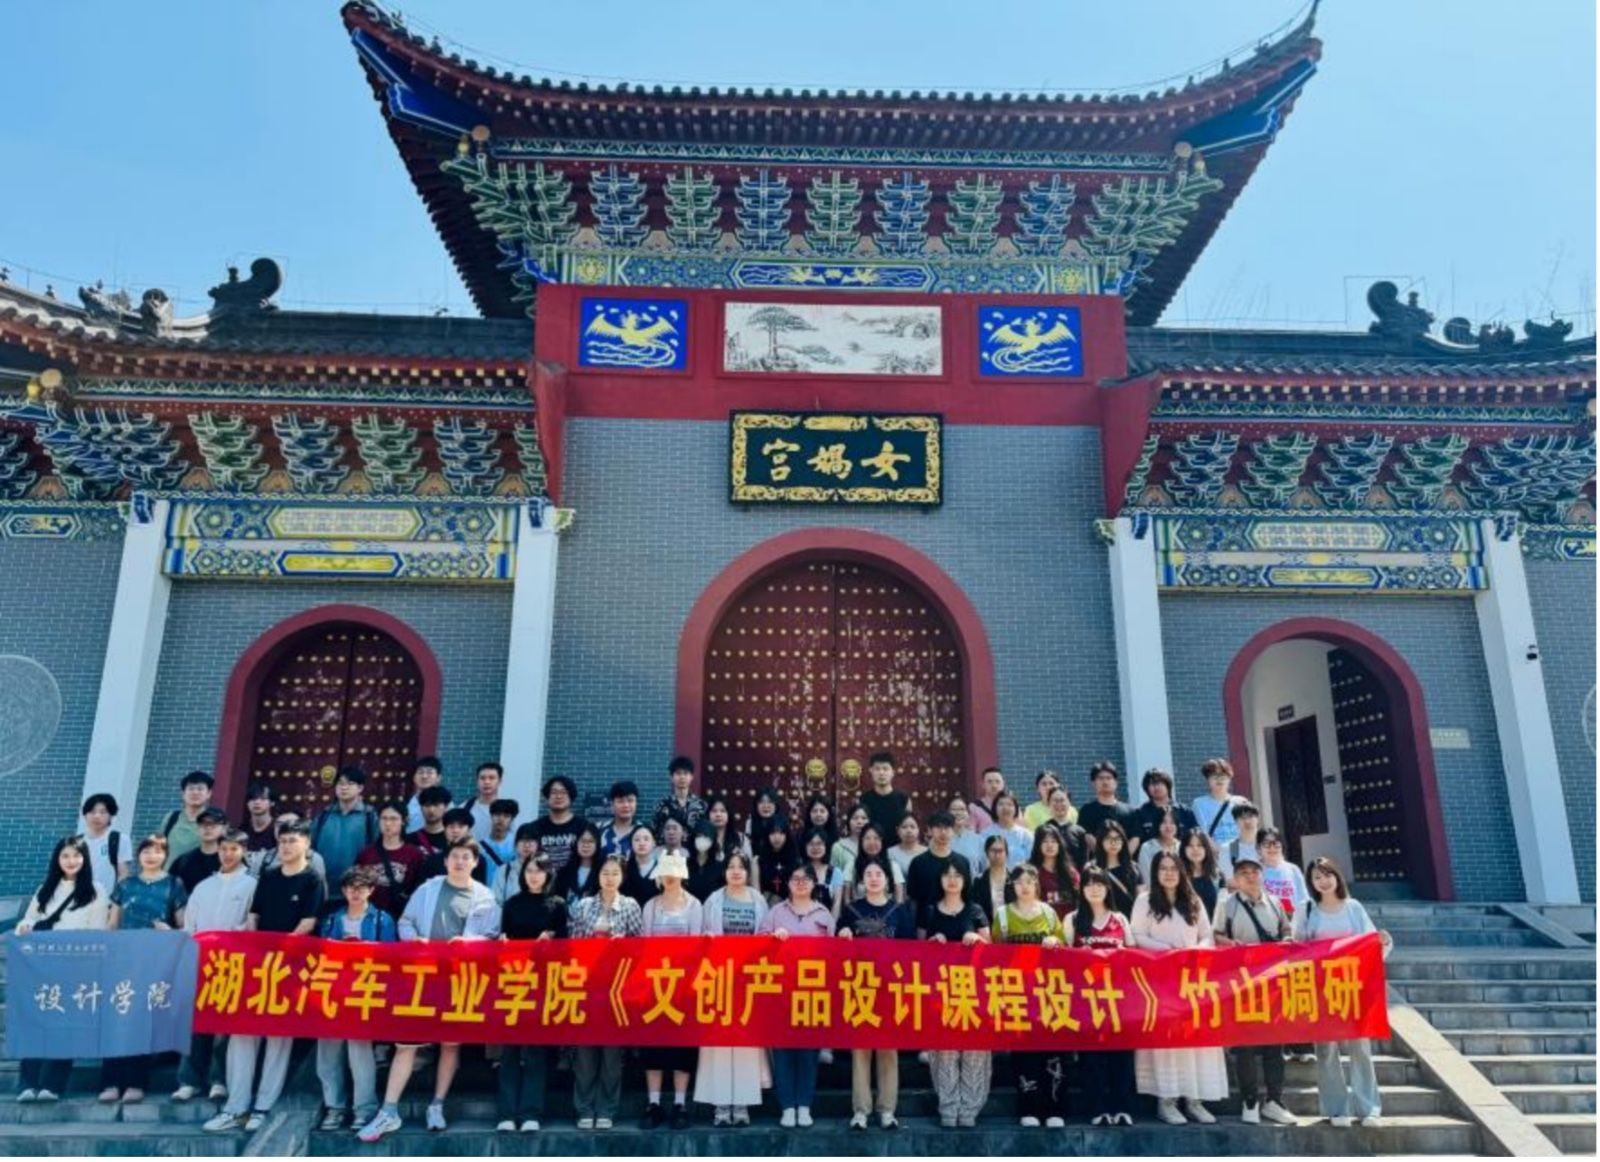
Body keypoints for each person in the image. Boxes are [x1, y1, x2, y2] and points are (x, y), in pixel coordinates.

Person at [358, 838, 499, 1142]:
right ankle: (388, 1111)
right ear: (446, 861)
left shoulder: (486, 897)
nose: (460, 862)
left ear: (475, 863)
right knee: (407, 1043)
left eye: (466, 857)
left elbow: (491, 937)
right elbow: (406, 922)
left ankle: (437, 1105)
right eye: (455, 856)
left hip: (459, 978)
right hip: (422, 975)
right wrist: (414, 940)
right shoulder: (427, 888)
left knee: (450, 1043)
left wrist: (469, 944)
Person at [207, 819, 325, 1134]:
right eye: (282, 841)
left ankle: (262, 1106)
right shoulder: (269, 877)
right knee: (243, 1034)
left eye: (293, 841)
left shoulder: (313, 880)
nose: (286, 847)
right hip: (258, 965)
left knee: (278, 1038)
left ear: (307, 845)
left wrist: (281, 950)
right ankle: (235, 1107)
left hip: (289, 968)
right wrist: (257, 947)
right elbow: (254, 915)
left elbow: (308, 922)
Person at [1131, 852, 1227, 1125]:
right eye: (1163, 868)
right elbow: (1137, 935)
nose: (1169, 873)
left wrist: (1196, 951)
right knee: (1167, 1040)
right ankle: (1167, 1100)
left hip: (1193, 981)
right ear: (1155, 872)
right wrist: (1166, 952)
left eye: (1174, 868)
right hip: (1160, 981)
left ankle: (1194, 1100)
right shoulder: (1145, 901)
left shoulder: (1193, 900)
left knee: (1195, 1039)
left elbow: (1207, 935)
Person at [15, 836, 109, 1103]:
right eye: (65, 856)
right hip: (42, 965)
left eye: (76, 856)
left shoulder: (95, 890)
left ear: (85, 859)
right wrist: (24, 926)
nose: (71, 861)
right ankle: (27, 1083)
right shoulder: (45, 888)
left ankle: (52, 1085)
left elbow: (97, 932)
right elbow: (30, 919)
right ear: (57, 859)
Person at [1295, 857, 1383, 1128]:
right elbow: (1297, 946)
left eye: (1327, 875)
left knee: (1360, 1048)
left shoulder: (1353, 907)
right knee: (1327, 1050)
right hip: (1321, 989)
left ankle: (1368, 1108)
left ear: (1337, 876)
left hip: (1352, 987)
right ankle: (1336, 1109)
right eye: (1317, 877)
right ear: (1311, 883)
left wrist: (1382, 941)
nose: (1323, 881)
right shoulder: (1306, 909)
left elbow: (1371, 943)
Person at [1211, 852, 1297, 1126]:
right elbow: (1215, 935)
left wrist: (1286, 940)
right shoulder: (1227, 905)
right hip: (1240, 984)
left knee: (1275, 1043)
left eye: (1254, 872)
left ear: (1262, 875)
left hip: (1272, 982)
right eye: (1243, 873)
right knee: (1244, 1044)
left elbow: (1287, 930)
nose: (1250, 877)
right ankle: (1250, 1100)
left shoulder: (1275, 902)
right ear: (1236, 879)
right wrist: (1231, 945)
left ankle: (1275, 1100)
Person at [103, 834, 186, 1104]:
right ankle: (111, 1082)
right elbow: (112, 924)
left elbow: (183, 928)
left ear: (165, 855)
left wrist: (169, 931)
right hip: (123, 960)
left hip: (155, 961)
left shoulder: (174, 885)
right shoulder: (125, 885)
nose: (151, 856)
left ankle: (135, 1082)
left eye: (158, 851)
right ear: (138, 855)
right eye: (146, 851)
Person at [175, 829, 254, 1104]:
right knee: (196, 1023)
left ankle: (218, 1079)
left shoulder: (251, 885)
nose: (228, 854)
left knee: (224, 1026)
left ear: (244, 851)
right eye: (223, 849)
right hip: (201, 961)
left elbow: (248, 925)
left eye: (234, 849)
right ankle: (189, 1080)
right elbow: (191, 925)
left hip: (232, 963)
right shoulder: (204, 886)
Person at [315, 866, 397, 1131]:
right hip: (333, 993)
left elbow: (391, 958)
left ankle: (364, 1109)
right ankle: (334, 1107)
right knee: (328, 1055)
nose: (356, 893)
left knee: (360, 1055)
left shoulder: (382, 920)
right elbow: (319, 954)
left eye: (362, 888)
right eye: (351, 888)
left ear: (371, 890)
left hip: (364, 993)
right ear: (343, 891)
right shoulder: (331, 920)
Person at [838, 859, 914, 1129]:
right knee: (860, 1051)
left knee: (887, 1051)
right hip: (860, 987)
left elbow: (911, 951)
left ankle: (887, 1110)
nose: (873, 878)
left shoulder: (900, 911)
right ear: (861, 880)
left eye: (878, 874)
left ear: (887, 880)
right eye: (868, 874)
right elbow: (837, 946)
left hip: (890, 989)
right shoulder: (851, 910)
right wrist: (843, 933)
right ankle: (861, 1111)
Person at [568, 855, 643, 1129]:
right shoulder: (584, 905)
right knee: (585, 1054)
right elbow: (572, 945)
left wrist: (624, 944)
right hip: (587, 987)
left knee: (612, 1055)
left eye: (614, 873)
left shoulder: (630, 905)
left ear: (622, 877)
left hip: (617, 990)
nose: (609, 878)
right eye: (605, 873)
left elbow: (641, 948)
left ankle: (607, 1109)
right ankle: (584, 1108)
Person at [992, 864, 1070, 1128]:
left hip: (1048, 993)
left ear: (1037, 884)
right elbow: (994, 955)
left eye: (1029, 881)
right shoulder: (1002, 915)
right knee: (1024, 1053)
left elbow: (1064, 948)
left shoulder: (1049, 913)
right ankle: (1029, 1108)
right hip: (1018, 995)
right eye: (1019, 882)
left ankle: (1055, 1108)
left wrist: (1055, 942)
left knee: (1053, 1052)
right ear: (1012, 886)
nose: (1024, 886)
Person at [496, 853, 567, 1132]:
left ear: (548, 874)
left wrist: (552, 940)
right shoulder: (512, 904)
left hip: (543, 983)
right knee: (510, 1050)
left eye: (539, 871)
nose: (534, 876)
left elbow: (567, 946)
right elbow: (503, 936)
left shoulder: (557, 904)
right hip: (513, 981)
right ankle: (506, 1113)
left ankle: (531, 1113)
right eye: (529, 871)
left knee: (537, 1051)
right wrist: (502, 942)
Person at [762, 863, 835, 1127]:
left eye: (806, 879)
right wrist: (773, 938)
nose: (800, 883)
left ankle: (804, 1105)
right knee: (783, 1052)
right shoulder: (775, 912)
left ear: (814, 883)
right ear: (788, 884)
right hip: (781, 992)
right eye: (795, 879)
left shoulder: (824, 914)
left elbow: (834, 955)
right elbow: (758, 944)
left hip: (812, 994)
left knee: (807, 1053)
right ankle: (787, 1106)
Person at [921, 861, 991, 1128]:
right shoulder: (929, 911)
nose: (952, 880)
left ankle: (971, 1108)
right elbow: (915, 951)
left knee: (974, 1049)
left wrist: (978, 940)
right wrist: (932, 943)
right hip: (939, 992)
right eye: (947, 875)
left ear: (965, 880)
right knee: (944, 1051)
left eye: (957, 875)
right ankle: (948, 1107)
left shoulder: (975, 910)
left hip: (973, 992)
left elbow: (992, 950)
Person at [641, 852, 703, 1128]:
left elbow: (696, 943)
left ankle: (680, 1103)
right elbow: (643, 944)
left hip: (683, 986)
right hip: (655, 984)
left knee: (682, 1047)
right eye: (665, 872)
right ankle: (653, 1103)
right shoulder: (651, 906)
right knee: (653, 1045)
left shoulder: (694, 905)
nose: (670, 877)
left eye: (674, 872)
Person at [1071, 868, 1136, 1126]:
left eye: (1099, 884)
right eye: (1088, 884)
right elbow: (1063, 957)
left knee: (1121, 1055)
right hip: (1086, 999)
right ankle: (1096, 1108)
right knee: (1092, 1057)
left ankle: (1122, 1107)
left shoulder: (1119, 919)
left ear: (1108, 888)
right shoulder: (1073, 919)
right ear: (1082, 889)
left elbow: (1134, 954)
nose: (1094, 889)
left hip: (1118, 999)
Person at [311, 765, 380, 889]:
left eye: (350, 783)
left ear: (360, 788)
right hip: (323, 884)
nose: (344, 787)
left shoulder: (370, 816)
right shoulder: (324, 815)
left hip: (356, 886)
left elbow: (377, 849)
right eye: (340, 783)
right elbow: (310, 846)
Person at [355, 801, 427, 917]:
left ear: (404, 821)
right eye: (384, 818)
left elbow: (419, 889)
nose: (388, 823)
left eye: (394, 819)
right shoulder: (366, 853)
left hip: (402, 915)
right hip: (370, 915)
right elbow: (356, 884)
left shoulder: (415, 854)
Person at [905, 811, 971, 926]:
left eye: (947, 828)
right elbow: (913, 899)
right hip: (925, 924)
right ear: (930, 830)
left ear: (953, 831)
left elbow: (967, 896)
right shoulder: (918, 862)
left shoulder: (962, 862)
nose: (943, 832)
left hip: (956, 921)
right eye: (938, 827)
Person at [1076, 762, 1138, 857]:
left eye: (1109, 778)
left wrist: (1124, 858)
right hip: (1097, 863)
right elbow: (1087, 836)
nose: (1105, 782)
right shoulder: (1086, 810)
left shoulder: (1129, 811)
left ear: (1116, 783)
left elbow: (1135, 837)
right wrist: (1104, 858)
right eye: (1101, 778)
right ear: (1093, 783)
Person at [419, 808, 490, 884]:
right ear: (444, 830)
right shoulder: (433, 860)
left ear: (469, 830)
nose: (455, 831)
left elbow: (480, 887)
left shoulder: (477, 860)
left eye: (460, 827)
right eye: (451, 827)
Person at [531, 776, 585, 873]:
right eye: (554, 792)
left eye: (563, 792)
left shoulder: (583, 827)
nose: (559, 796)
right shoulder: (534, 827)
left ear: (571, 797)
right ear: (547, 797)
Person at [1191, 757, 1248, 850]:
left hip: (1240, 852)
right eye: (1214, 776)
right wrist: (1218, 851)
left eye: (1223, 776)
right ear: (1208, 779)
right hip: (1214, 853)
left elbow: (1248, 830)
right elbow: (1203, 833)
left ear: (1229, 778)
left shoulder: (1241, 802)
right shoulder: (1199, 804)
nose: (1219, 780)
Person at [162, 770, 215, 867]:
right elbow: (157, 848)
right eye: (191, 789)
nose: (195, 792)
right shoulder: (171, 818)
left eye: (200, 789)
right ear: (183, 794)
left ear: (209, 794)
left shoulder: (214, 822)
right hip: (169, 874)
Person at [79, 792, 128, 896]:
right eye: (92, 812)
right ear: (85, 815)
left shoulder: (119, 839)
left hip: (106, 899)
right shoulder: (76, 842)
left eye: (103, 812)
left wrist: (116, 900)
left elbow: (123, 873)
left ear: (111, 816)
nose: (97, 816)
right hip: (79, 898)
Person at [1134, 768, 1198, 847]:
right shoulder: (1140, 813)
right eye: (1152, 784)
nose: (1156, 787)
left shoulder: (1184, 811)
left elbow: (1195, 835)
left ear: (1168, 785)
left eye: (1159, 783)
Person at [170, 807, 228, 894]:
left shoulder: (231, 861)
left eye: (213, 824)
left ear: (224, 829)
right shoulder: (183, 861)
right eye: (203, 823)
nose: (208, 828)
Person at [1257, 828, 1309, 924]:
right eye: (1266, 844)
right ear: (1259, 848)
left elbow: (1303, 900)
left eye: (1276, 844)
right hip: (1267, 925)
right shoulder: (1256, 872)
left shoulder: (1293, 869)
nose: (1272, 848)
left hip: (1294, 925)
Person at [1029, 824, 1080, 920]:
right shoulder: (1032, 872)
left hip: (1069, 923)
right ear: (1038, 845)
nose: (1050, 845)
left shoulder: (1071, 873)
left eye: (1053, 841)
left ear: (1059, 844)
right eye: (1045, 841)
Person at [845, 823, 905, 905]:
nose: (872, 842)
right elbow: (847, 900)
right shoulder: (852, 865)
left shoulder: (893, 866)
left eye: (876, 838)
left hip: (887, 911)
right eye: (867, 838)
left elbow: (899, 899)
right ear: (861, 841)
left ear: (882, 841)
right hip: (859, 910)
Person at [1095, 820, 1142, 917]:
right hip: (1103, 922)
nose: (1113, 843)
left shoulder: (1133, 868)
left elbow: (1141, 899)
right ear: (1101, 841)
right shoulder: (1093, 869)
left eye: (1117, 839)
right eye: (1108, 838)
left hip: (1131, 921)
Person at [858, 752, 910, 837]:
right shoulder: (863, 800)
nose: (881, 773)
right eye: (877, 769)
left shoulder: (903, 799)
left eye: (885, 769)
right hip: (871, 844)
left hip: (897, 844)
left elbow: (908, 825)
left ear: (893, 772)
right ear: (871, 771)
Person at [653, 755, 708, 832]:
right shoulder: (662, 804)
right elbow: (655, 830)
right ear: (671, 777)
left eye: (685, 773)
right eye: (678, 773)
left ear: (691, 777)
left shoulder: (701, 804)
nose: (682, 777)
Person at [979, 792, 1033, 872]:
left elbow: (1031, 862)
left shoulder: (1026, 835)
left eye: (1009, 804)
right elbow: (982, 863)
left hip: (1020, 878)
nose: (1005, 808)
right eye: (1001, 804)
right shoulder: (985, 835)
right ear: (994, 808)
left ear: (1016, 809)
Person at [797, 827, 844, 915]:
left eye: (819, 844)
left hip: (827, 920)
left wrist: (831, 922)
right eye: (811, 844)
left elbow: (837, 903)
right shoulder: (798, 871)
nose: (815, 848)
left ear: (826, 846)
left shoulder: (835, 872)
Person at [970, 833, 1014, 925]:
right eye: (993, 850)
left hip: (1013, 928)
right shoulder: (979, 881)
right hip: (987, 928)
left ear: (1006, 853)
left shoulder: (1015, 879)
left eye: (1000, 850)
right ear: (986, 853)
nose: (997, 855)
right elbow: (975, 908)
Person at [493, 822, 541, 904]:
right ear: (516, 845)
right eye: (523, 840)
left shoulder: (544, 871)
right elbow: (495, 902)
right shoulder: (503, 871)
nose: (527, 845)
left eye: (531, 840)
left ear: (538, 845)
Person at [1181, 827, 1224, 920]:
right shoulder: (1179, 876)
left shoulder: (1216, 874)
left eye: (1199, 845)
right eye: (1190, 845)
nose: (1195, 849)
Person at [553, 823, 603, 901]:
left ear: (597, 844)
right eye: (582, 841)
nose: (586, 845)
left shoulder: (603, 872)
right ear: (576, 843)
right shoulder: (564, 872)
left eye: (591, 841)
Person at [1136, 806, 1183, 887]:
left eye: (1172, 822)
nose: (1168, 826)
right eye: (1164, 822)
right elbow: (1146, 877)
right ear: (1157, 824)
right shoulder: (1147, 847)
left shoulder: (1182, 847)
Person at [1218, 801, 1263, 886]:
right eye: (1242, 818)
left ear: (1257, 819)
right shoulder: (1227, 849)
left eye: (1250, 816)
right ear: (1235, 821)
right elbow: (1228, 879)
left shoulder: (1267, 847)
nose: (1247, 821)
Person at [1045, 787, 1090, 869]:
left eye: (1062, 800)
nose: (1059, 804)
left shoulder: (1080, 832)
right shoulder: (1043, 830)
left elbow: (1084, 862)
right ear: (1048, 804)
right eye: (1055, 800)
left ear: (1069, 803)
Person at [757, 822, 799, 903]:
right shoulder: (758, 860)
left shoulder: (795, 860)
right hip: (764, 903)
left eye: (781, 833)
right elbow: (757, 892)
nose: (777, 837)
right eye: (772, 833)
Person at [686, 820, 727, 902]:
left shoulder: (720, 867)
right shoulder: (684, 865)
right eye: (699, 836)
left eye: (706, 836)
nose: (702, 839)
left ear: (712, 840)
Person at [242, 782, 280, 868]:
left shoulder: (278, 829)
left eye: (263, 799)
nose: (257, 802)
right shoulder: (241, 830)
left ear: (272, 803)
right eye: (253, 799)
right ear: (247, 803)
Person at [622, 823, 662, 906]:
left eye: (646, 839)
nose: (641, 843)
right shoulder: (624, 867)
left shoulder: (662, 868)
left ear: (654, 843)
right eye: (637, 840)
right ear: (631, 844)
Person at [467, 761, 508, 840]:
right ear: (477, 781)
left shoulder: (508, 810)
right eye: (482, 778)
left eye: (491, 778)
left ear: (500, 781)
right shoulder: (465, 808)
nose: (487, 782)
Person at [408, 785, 453, 855]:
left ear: (446, 807)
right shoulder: (409, 839)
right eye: (427, 805)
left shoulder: (453, 839)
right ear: (420, 808)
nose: (431, 810)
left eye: (436, 805)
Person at [404, 755, 443, 833]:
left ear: (438, 778)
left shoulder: (446, 805)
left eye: (429, 772)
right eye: (420, 772)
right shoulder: (405, 804)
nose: (424, 776)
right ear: (414, 777)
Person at [600, 780, 639, 856]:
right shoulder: (600, 831)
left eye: (630, 800)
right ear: (612, 804)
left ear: (636, 803)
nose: (626, 805)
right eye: (620, 801)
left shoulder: (644, 832)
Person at [830, 805, 870, 877]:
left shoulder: (874, 845)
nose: (859, 822)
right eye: (855, 818)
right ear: (848, 821)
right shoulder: (839, 846)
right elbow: (834, 874)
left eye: (864, 818)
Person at [947, 795, 985, 870]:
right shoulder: (941, 839)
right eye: (954, 809)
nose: (958, 813)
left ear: (968, 814)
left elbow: (985, 867)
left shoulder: (978, 840)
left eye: (962, 809)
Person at [887, 813, 927, 883]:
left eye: (912, 827)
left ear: (918, 830)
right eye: (904, 827)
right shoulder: (890, 853)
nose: (909, 831)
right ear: (897, 830)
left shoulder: (927, 852)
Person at [482, 799, 520, 871]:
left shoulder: (517, 844)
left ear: (512, 819)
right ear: (491, 816)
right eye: (497, 814)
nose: (501, 819)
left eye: (506, 816)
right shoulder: (480, 846)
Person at [706, 795, 747, 860]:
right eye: (714, 811)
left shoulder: (741, 839)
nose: (718, 815)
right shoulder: (702, 838)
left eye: (722, 811)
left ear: (729, 814)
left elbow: (747, 862)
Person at [969, 766, 1007, 832]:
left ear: (1003, 783)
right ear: (983, 784)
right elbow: (970, 833)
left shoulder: (1011, 807)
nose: (994, 786)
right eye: (989, 782)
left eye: (997, 781)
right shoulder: (974, 807)